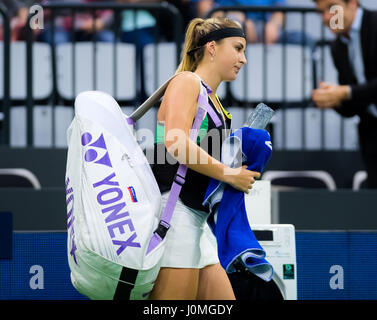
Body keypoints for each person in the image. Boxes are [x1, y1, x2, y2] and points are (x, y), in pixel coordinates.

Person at [150, 17, 261, 300]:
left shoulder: (215, 102)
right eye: (237, 48)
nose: (243, 59)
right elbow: (174, 141)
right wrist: (228, 173)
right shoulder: (187, 82)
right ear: (212, 48)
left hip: (197, 219)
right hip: (174, 215)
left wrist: (238, 168)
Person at [311, 0, 377, 189]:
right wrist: (333, 100)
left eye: (332, 8)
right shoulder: (338, 46)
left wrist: (345, 92)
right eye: (321, 12)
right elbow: (354, 105)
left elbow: (352, 92)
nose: (326, 17)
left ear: (353, 3)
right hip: (371, 134)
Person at [193, 0, 313, 46]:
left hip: (264, 28)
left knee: (302, 39)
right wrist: (236, 22)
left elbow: (279, 10)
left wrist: (274, 25)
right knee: (233, 31)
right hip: (227, 26)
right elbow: (205, 9)